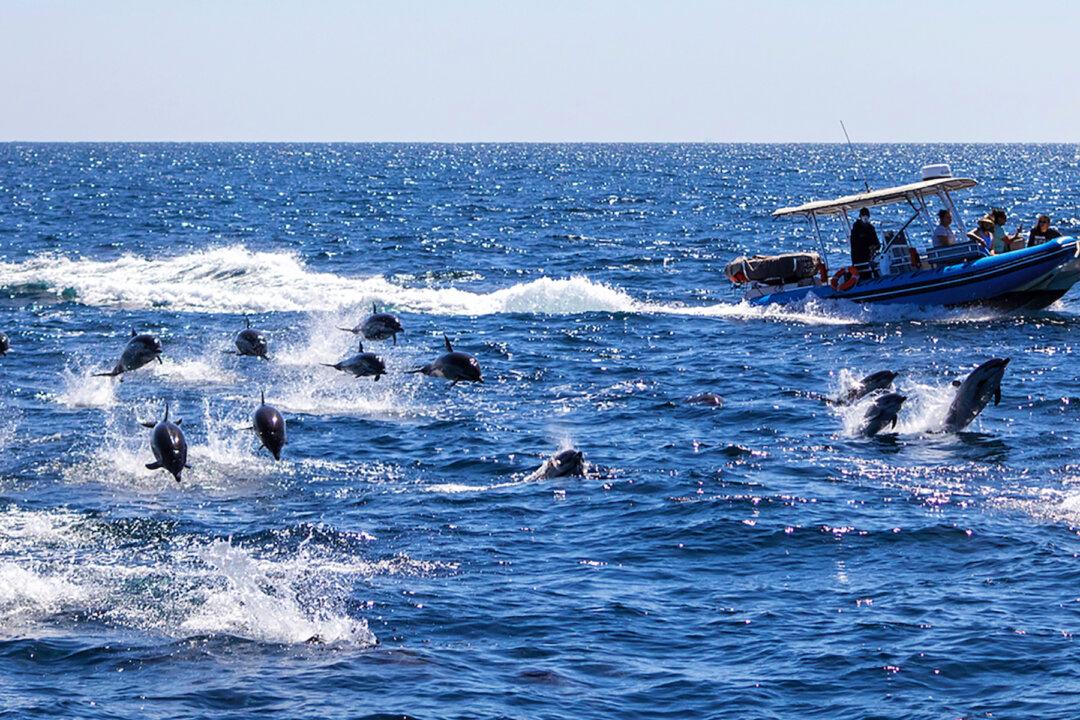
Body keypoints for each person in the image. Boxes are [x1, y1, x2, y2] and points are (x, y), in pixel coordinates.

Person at [849, 207, 880, 275]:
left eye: (867, 215)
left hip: (870, 257)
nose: (865, 217)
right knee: (862, 272)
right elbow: (854, 244)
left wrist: (874, 247)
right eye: (863, 215)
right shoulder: (856, 229)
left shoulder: (871, 228)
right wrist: (867, 247)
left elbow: (877, 243)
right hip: (859, 258)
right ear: (860, 216)